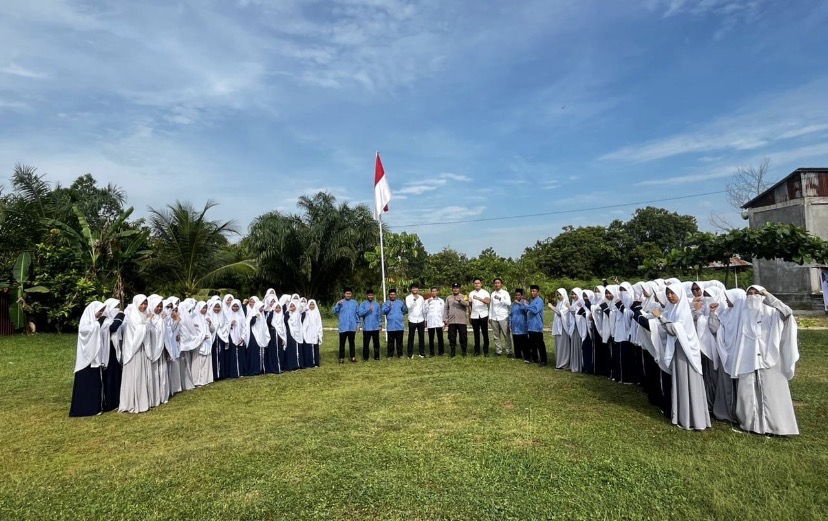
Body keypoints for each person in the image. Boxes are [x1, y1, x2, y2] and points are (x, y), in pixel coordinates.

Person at [730, 285, 799, 436]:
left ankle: (775, 427)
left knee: (772, 393)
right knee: (748, 392)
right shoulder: (743, 314)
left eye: (757, 294)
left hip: (770, 359)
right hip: (747, 359)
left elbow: (787, 312)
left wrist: (769, 297)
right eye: (750, 294)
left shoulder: (772, 313)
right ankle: (751, 425)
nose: (753, 296)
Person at [652, 284, 711, 431]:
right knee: (680, 382)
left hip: (687, 353)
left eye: (672, 293)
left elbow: (674, 329)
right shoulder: (673, 310)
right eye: (668, 293)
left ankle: (695, 419)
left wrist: (660, 317)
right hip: (678, 350)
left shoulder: (683, 311)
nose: (670, 296)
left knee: (688, 382)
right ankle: (681, 415)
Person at [69, 301, 106, 417]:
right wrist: (97, 324)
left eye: (102, 311)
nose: (100, 313)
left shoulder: (93, 322)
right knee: (85, 383)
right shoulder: (85, 321)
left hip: (94, 358)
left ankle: (94, 407)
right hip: (86, 359)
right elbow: (85, 332)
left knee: (94, 384)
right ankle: (83, 409)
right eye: (99, 311)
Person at [118, 295, 151, 414]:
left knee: (139, 375)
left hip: (140, 349)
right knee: (134, 375)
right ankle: (131, 402)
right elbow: (139, 331)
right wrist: (148, 321)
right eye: (142, 304)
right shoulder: (133, 315)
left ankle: (141, 400)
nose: (144, 306)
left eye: (145, 303)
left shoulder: (142, 314)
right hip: (133, 350)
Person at [100, 298, 124, 411]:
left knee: (116, 376)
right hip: (107, 352)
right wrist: (120, 316)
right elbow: (113, 328)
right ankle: (110, 402)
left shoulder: (111, 320)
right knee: (109, 377)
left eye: (119, 307)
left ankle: (117, 400)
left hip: (115, 351)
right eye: (115, 307)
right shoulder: (104, 321)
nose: (117, 309)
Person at [145, 294, 168, 406]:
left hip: (160, 348)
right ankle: (154, 397)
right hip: (152, 350)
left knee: (162, 372)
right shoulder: (148, 318)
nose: (159, 309)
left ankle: (162, 396)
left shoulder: (161, 318)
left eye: (160, 306)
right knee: (153, 374)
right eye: (157, 306)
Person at [523, 285, 547, 366]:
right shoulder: (532, 301)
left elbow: (535, 310)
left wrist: (527, 306)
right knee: (532, 344)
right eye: (531, 291)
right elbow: (528, 310)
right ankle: (534, 358)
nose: (532, 292)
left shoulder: (539, 301)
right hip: (531, 326)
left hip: (537, 326)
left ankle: (543, 360)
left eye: (534, 291)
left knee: (540, 344)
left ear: (538, 292)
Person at [333, 288, 359, 363]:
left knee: (352, 343)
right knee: (342, 343)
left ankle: (353, 357)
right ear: (344, 294)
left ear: (351, 294)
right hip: (343, 326)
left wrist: (358, 324)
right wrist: (338, 305)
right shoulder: (340, 302)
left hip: (352, 326)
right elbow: (334, 312)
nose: (348, 295)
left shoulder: (355, 303)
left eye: (349, 293)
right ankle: (341, 358)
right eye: (347, 293)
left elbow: (357, 314)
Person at [443, 282, 469, 357]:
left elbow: (467, 304)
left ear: (460, 289)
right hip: (452, 321)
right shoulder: (448, 297)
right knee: (452, 337)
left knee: (463, 337)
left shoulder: (464, 296)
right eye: (454, 288)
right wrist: (445, 318)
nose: (455, 289)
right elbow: (446, 309)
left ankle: (464, 352)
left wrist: (460, 301)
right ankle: (452, 352)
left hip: (461, 320)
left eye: (457, 288)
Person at [489, 278, 512, 357]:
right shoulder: (492, 293)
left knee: (506, 335)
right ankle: (498, 351)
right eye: (495, 283)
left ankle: (509, 351)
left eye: (498, 283)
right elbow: (491, 306)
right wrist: (490, 317)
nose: (497, 284)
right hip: (494, 317)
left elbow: (509, 303)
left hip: (503, 317)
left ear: (501, 284)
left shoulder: (505, 293)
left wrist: (500, 298)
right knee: (496, 335)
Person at [468, 277, 491, 356]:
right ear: (473, 284)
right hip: (474, 316)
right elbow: (470, 305)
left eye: (478, 283)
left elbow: (487, 301)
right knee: (476, 334)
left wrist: (478, 298)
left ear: (481, 284)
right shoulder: (471, 293)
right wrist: (470, 316)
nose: (477, 284)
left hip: (483, 315)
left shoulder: (485, 292)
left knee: (485, 333)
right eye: (475, 283)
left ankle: (486, 351)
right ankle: (477, 351)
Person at [358, 289, 382, 361]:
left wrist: (380, 325)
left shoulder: (377, 304)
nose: (370, 296)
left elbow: (379, 315)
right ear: (367, 296)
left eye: (371, 295)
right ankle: (366, 357)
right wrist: (367, 310)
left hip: (375, 327)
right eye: (369, 295)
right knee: (366, 343)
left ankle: (376, 356)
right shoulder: (363, 304)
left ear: (373, 296)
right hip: (367, 328)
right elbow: (360, 313)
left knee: (376, 343)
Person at [383, 289, 408, 358]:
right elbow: (383, 312)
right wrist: (389, 307)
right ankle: (390, 355)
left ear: (396, 295)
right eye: (391, 294)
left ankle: (400, 354)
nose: (392, 296)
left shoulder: (400, 302)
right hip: (391, 326)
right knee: (390, 342)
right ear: (389, 295)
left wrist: (399, 315)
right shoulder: (386, 303)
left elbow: (405, 311)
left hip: (399, 325)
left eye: (394, 294)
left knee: (399, 342)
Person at [550, 288, 570, 369]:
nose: (558, 296)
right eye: (557, 295)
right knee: (558, 346)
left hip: (563, 328)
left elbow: (560, 313)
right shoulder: (559, 303)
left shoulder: (566, 303)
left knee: (563, 346)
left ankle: (563, 364)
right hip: (558, 328)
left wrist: (552, 307)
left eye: (560, 294)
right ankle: (559, 363)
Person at [265, 296, 286, 374]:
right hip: (273, 335)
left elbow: (283, 327)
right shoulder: (271, 314)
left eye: (279, 307)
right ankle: (274, 368)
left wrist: (284, 338)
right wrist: (271, 312)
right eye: (276, 307)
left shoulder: (281, 316)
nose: (277, 309)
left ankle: (280, 367)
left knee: (280, 352)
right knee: (273, 351)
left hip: (280, 336)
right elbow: (268, 322)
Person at [405, 284, 426, 358]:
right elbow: (409, 307)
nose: (415, 289)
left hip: (420, 319)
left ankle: (422, 353)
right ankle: (410, 354)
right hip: (412, 319)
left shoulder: (421, 297)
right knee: (411, 337)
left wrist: (425, 319)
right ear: (411, 289)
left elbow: (423, 309)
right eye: (413, 288)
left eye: (416, 288)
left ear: (418, 289)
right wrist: (414, 300)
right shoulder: (408, 297)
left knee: (421, 337)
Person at [424, 286, 445, 356]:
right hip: (431, 322)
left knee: (440, 337)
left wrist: (444, 321)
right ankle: (432, 353)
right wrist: (427, 304)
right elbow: (425, 311)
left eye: (435, 291)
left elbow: (443, 312)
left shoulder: (441, 301)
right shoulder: (427, 301)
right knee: (431, 338)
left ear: (437, 292)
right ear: (431, 292)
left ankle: (441, 352)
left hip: (439, 321)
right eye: (432, 291)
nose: (434, 292)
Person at [302, 299, 323, 367]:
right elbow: (304, 323)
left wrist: (319, 333)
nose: (311, 306)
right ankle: (309, 363)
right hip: (308, 332)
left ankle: (315, 363)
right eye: (310, 304)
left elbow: (319, 323)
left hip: (315, 332)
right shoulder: (306, 312)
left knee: (315, 347)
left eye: (313, 304)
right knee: (308, 347)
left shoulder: (317, 312)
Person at [510, 289, 529, 362]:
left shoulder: (524, 302)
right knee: (516, 341)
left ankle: (527, 357)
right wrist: (510, 323)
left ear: (521, 295)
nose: (517, 296)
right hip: (515, 326)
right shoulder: (513, 304)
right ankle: (518, 355)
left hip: (522, 326)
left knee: (524, 342)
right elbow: (511, 314)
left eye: (518, 295)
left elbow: (526, 310)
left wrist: (520, 304)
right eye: (516, 295)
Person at [284, 299, 303, 371]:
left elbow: (301, 308)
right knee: (291, 349)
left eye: (293, 306)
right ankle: (292, 365)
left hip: (297, 332)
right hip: (290, 333)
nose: (292, 307)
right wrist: (288, 312)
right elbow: (285, 322)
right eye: (291, 306)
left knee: (297, 348)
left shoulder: (298, 313)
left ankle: (299, 364)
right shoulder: (287, 314)